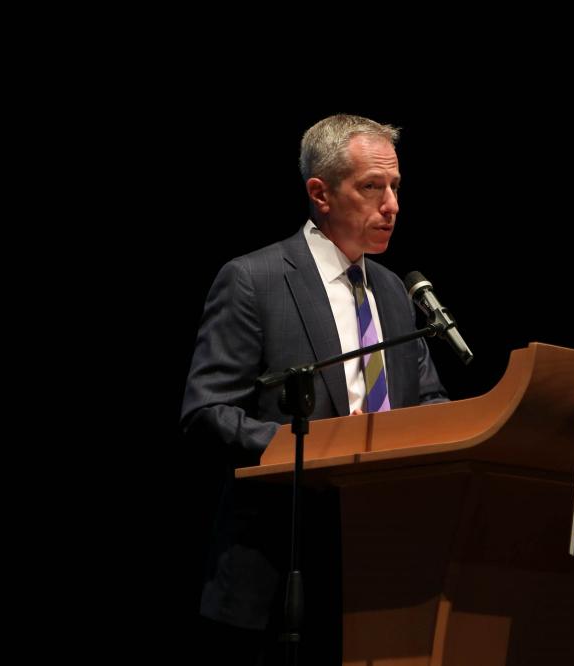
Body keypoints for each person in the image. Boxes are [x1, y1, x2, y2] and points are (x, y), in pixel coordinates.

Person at [181, 114, 448, 664]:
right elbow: (206, 411)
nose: (392, 205)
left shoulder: (394, 293)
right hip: (280, 565)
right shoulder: (254, 280)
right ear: (320, 194)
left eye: (396, 187)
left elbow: (429, 403)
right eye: (372, 187)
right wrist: (314, 449)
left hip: (380, 561)